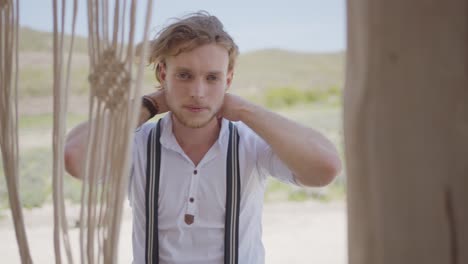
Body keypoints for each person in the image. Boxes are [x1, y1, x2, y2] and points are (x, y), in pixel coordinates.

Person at [64, 11, 341, 264]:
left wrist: (245, 110)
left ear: (228, 80)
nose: (197, 91)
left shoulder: (250, 143)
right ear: (163, 74)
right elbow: (75, 157)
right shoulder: (138, 143)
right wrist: (150, 104)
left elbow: (325, 167)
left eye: (212, 78)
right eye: (184, 75)